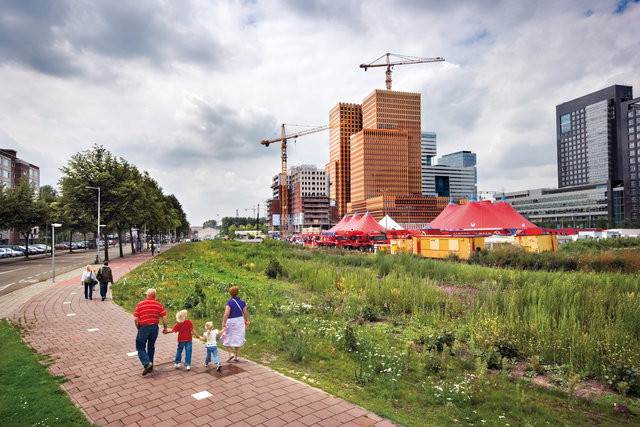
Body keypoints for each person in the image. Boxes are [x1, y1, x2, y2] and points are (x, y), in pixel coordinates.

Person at [133, 289, 168, 376]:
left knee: (140, 347)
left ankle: (146, 363)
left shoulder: (140, 304)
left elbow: (136, 318)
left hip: (144, 327)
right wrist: (165, 328)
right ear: (155, 296)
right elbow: (164, 317)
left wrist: (139, 327)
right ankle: (150, 365)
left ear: (147, 295)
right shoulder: (158, 304)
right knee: (151, 346)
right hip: (154, 328)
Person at [221, 286, 249, 362]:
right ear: (237, 292)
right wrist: (246, 320)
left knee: (226, 336)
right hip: (240, 321)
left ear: (230, 293)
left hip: (231, 321)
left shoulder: (229, 302)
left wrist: (223, 323)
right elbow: (245, 313)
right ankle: (236, 356)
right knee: (238, 337)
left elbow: (226, 313)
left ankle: (230, 353)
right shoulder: (242, 302)